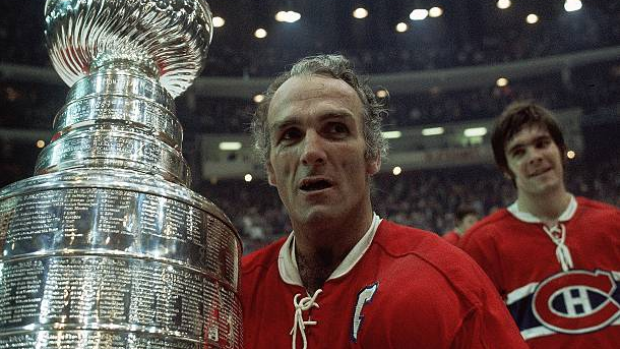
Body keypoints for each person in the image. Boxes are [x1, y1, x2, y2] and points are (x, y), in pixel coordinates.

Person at [241, 54, 528, 349]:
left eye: (336, 129)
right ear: (270, 169)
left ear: (373, 155)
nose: (311, 151)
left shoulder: (448, 282)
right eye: (290, 135)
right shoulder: (234, 295)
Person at [459, 101, 620, 348]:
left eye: (542, 144)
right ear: (505, 169)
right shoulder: (481, 244)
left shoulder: (613, 224)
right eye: (519, 152)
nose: (534, 157)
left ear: (561, 149)